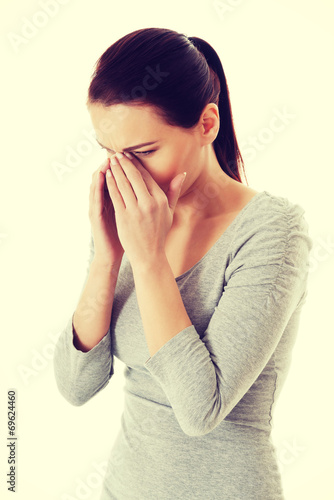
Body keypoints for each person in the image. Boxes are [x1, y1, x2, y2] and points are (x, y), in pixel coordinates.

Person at [53, 27, 313, 499]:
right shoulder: (130, 218)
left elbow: (200, 411)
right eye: (111, 154)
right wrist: (108, 257)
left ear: (207, 125)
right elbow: (76, 386)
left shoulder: (274, 231)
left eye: (144, 152)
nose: (125, 174)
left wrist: (149, 259)